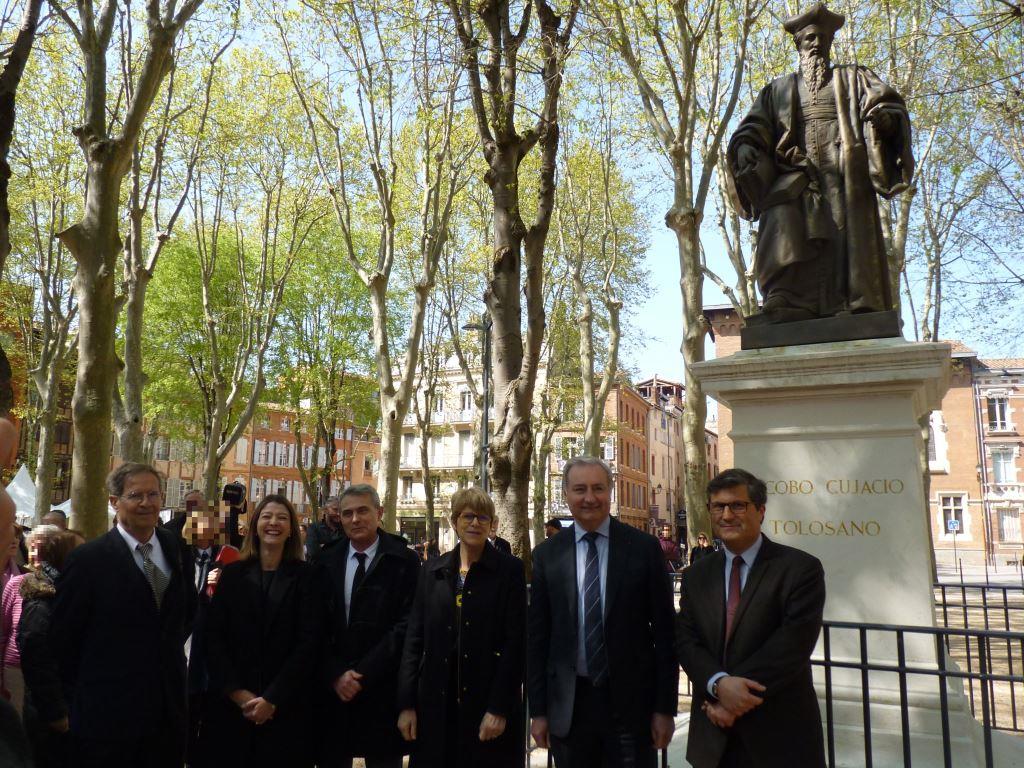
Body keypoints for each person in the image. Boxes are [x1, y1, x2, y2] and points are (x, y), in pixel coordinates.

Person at [725, 3, 913, 322]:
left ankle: (852, 304)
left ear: (829, 43)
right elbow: (754, 127)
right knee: (780, 215)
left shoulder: (854, 78)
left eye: (821, 38)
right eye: (809, 38)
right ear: (798, 45)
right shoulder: (777, 90)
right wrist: (744, 146)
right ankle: (786, 298)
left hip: (844, 170)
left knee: (845, 231)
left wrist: (886, 122)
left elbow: (887, 105)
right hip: (797, 173)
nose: (815, 44)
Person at [528, 456, 677, 767]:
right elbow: (538, 638)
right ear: (566, 493)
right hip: (570, 708)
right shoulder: (546, 555)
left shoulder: (644, 549)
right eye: (579, 489)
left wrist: (665, 708)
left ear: (611, 491)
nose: (589, 498)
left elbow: (665, 633)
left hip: (632, 707)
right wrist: (539, 711)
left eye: (598, 488)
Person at [676, 468, 826, 768]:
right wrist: (718, 684)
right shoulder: (697, 575)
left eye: (738, 505)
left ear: (760, 511)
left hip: (779, 734)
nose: (727, 515)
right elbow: (686, 639)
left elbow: (792, 645)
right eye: (718, 506)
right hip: (713, 736)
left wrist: (733, 700)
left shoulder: (800, 569)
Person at [52, 462, 198, 768]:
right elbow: (64, 640)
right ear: (114, 501)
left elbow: (184, 614)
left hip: (167, 713)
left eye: (153, 494)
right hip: (108, 718)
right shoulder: (88, 560)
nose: (146, 503)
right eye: (135, 495)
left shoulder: (176, 547)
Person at [398, 487, 527, 767]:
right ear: (455, 521)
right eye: (468, 516)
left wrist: (499, 707)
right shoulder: (433, 571)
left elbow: (515, 643)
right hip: (436, 706)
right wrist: (406, 704)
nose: (475, 523)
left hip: (486, 704)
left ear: (492, 524)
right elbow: (414, 640)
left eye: (483, 517)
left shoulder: (510, 571)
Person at [198, 494, 321, 768]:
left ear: (291, 529)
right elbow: (214, 638)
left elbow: (309, 643)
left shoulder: (308, 577)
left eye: (282, 518)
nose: (273, 523)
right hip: (232, 710)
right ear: (254, 525)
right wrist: (238, 694)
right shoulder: (232, 575)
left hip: (286, 710)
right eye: (266, 516)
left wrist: (273, 699)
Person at [318, 484, 421, 768]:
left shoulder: (405, 561)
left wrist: (362, 673)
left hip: (383, 691)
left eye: (363, 511)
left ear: (379, 513)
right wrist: (337, 673)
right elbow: (315, 625)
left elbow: (407, 625)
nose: (355, 519)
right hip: (334, 692)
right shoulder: (325, 559)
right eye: (347, 513)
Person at [17, 529, 84, 768]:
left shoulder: (65, 595)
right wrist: (57, 714)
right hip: (52, 718)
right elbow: (37, 659)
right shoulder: (43, 602)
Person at [182, 503, 229, 764]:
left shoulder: (226, 556)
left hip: (212, 629)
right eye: (201, 522)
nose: (207, 527)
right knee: (188, 696)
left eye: (212, 522)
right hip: (187, 632)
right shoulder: (180, 554)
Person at [1, 524, 61, 716]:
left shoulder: (66, 583)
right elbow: (3, 629)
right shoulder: (16, 582)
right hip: (15, 667)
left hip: (50, 669)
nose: (35, 552)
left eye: (41, 546)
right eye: (32, 546)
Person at [306, 496, 346, 563]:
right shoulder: (314, 528)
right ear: (325, 510)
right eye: (335, 510)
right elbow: (313, 553)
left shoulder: (346, 530)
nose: (339, 513)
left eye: (341, 510)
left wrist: (324, 547)